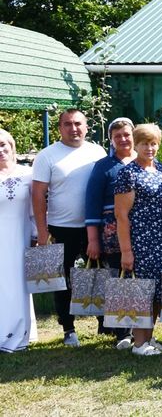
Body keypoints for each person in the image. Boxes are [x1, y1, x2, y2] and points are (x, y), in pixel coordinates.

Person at [32, 108, 107, 347]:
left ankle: (104, 324)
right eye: (67, 124)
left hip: (94, 227)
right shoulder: (47, 155)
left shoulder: (97, 152)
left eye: (77, 124)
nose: (73, 128)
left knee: (98, 275)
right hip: (61, 228)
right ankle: (68, 328)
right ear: (60, 128)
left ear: (86, 127)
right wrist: (42, 232)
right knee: (62, 281)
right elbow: (38, 194)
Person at [114, 123, 162, 356]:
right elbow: (121, 215)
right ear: (135, 145)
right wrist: (126, 251)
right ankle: (139, 343)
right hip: (141, 242)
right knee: (143, 291)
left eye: (153, 143)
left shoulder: (161, 169)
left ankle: (149, 337)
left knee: (157, 291)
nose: (149, 148)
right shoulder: (128, 173)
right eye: (144, 143)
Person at [84, 117, 136, 348]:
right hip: (112, 232)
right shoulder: (104, 166)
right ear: (111, 140)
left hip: (143, 230)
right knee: (119, 278)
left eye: (126, 134)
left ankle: (142, 328)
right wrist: (93, 239)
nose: (123, 139)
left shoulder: (145, 161)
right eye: (118, 136)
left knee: (140, 278)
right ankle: (122, 332)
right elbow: (92, 204)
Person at [0, 129, 33, 353]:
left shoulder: (28, 174)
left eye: (4, 145)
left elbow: (36, 209)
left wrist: (39, 234)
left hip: (20, 238)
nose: (1, 150)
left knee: (18, 285)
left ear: (12, 147)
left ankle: (18, 334)